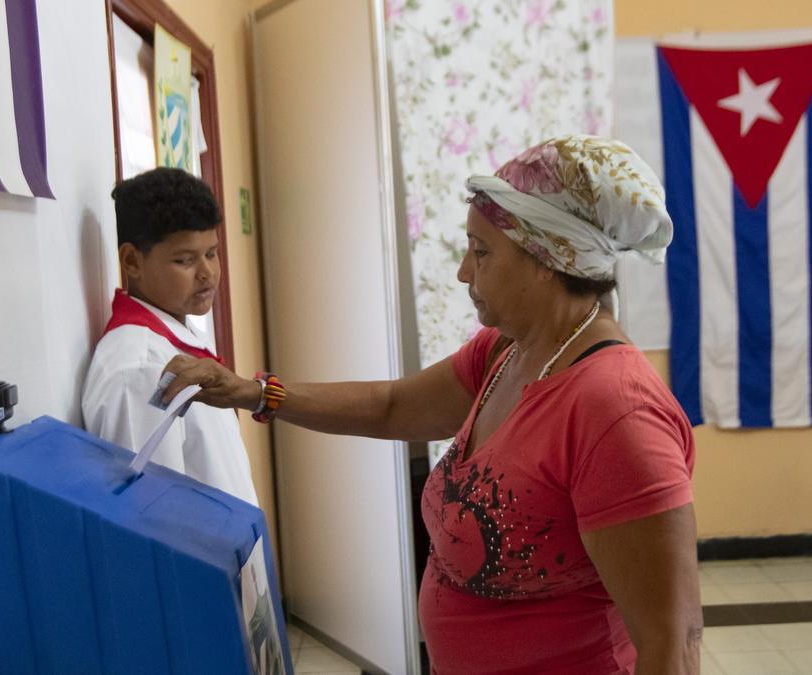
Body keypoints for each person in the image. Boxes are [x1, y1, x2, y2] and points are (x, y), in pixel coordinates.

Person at [157, 136, 701, 673]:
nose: (464, 271)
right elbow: (391, 407)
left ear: (548, 257)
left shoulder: (616, 412)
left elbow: (670, 647)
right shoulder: (509, 349)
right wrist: (254, 392)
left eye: (482, 252)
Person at [81, 167, 258, 506]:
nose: (207, 273)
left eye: (212, 253)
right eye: (185, 260)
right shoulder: (140, 368)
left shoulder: (179, 339)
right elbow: (152, 517)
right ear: (132, 261)